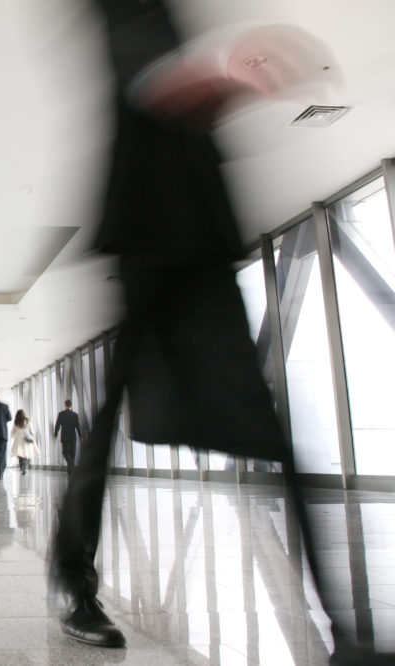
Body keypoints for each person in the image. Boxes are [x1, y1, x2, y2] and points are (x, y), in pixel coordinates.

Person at [50, 0, 352, 657]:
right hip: (150, 229)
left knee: (267, 423)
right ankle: (72, 581)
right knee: (107, 424)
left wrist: (221, 79)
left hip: (201, 231)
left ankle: (346, 629)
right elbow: (142, 77)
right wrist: (224, 73)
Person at [53, 400, 82, 476]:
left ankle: (71, 467)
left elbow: (57, 424)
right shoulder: (75, 415)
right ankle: (71, 470)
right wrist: (80, 435)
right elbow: (77, 426)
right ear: (71, 405)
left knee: (65, 452)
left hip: (65, 436)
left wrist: (56, 433)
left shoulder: (61, 414)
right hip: (73, 437)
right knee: (72, 453)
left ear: (65, 405)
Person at [9, 409, 39, 476]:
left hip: (18, 441)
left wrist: (14, 436)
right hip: (26, 440)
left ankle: (22, 468)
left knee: (20, 455)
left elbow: (12, 432)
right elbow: (33, 432)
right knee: (26, 454)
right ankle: (24, 467)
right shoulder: (28, 422)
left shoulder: (16, 423)